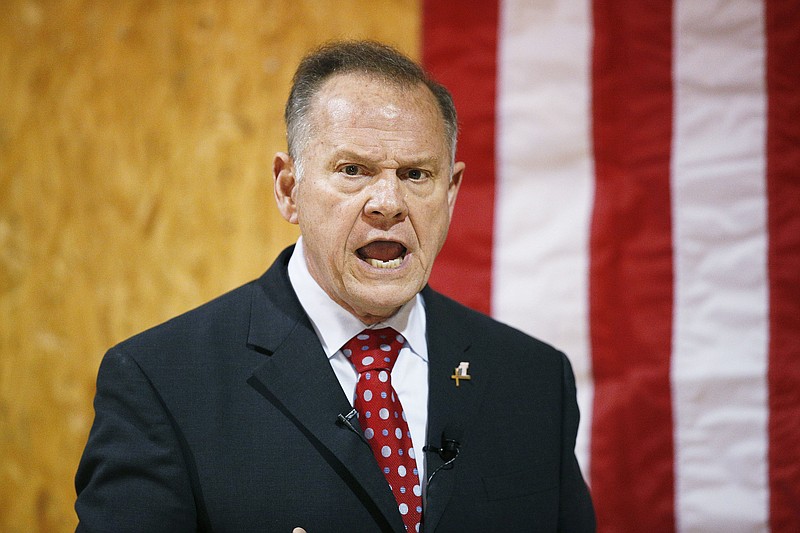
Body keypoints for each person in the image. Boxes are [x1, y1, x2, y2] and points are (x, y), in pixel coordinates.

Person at [75, 40, 595, 532]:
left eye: (416, 175)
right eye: (353, 170)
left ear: (452, 192)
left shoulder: (535, 381)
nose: (388, 202)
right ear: (289, 189)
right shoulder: (162, 382)